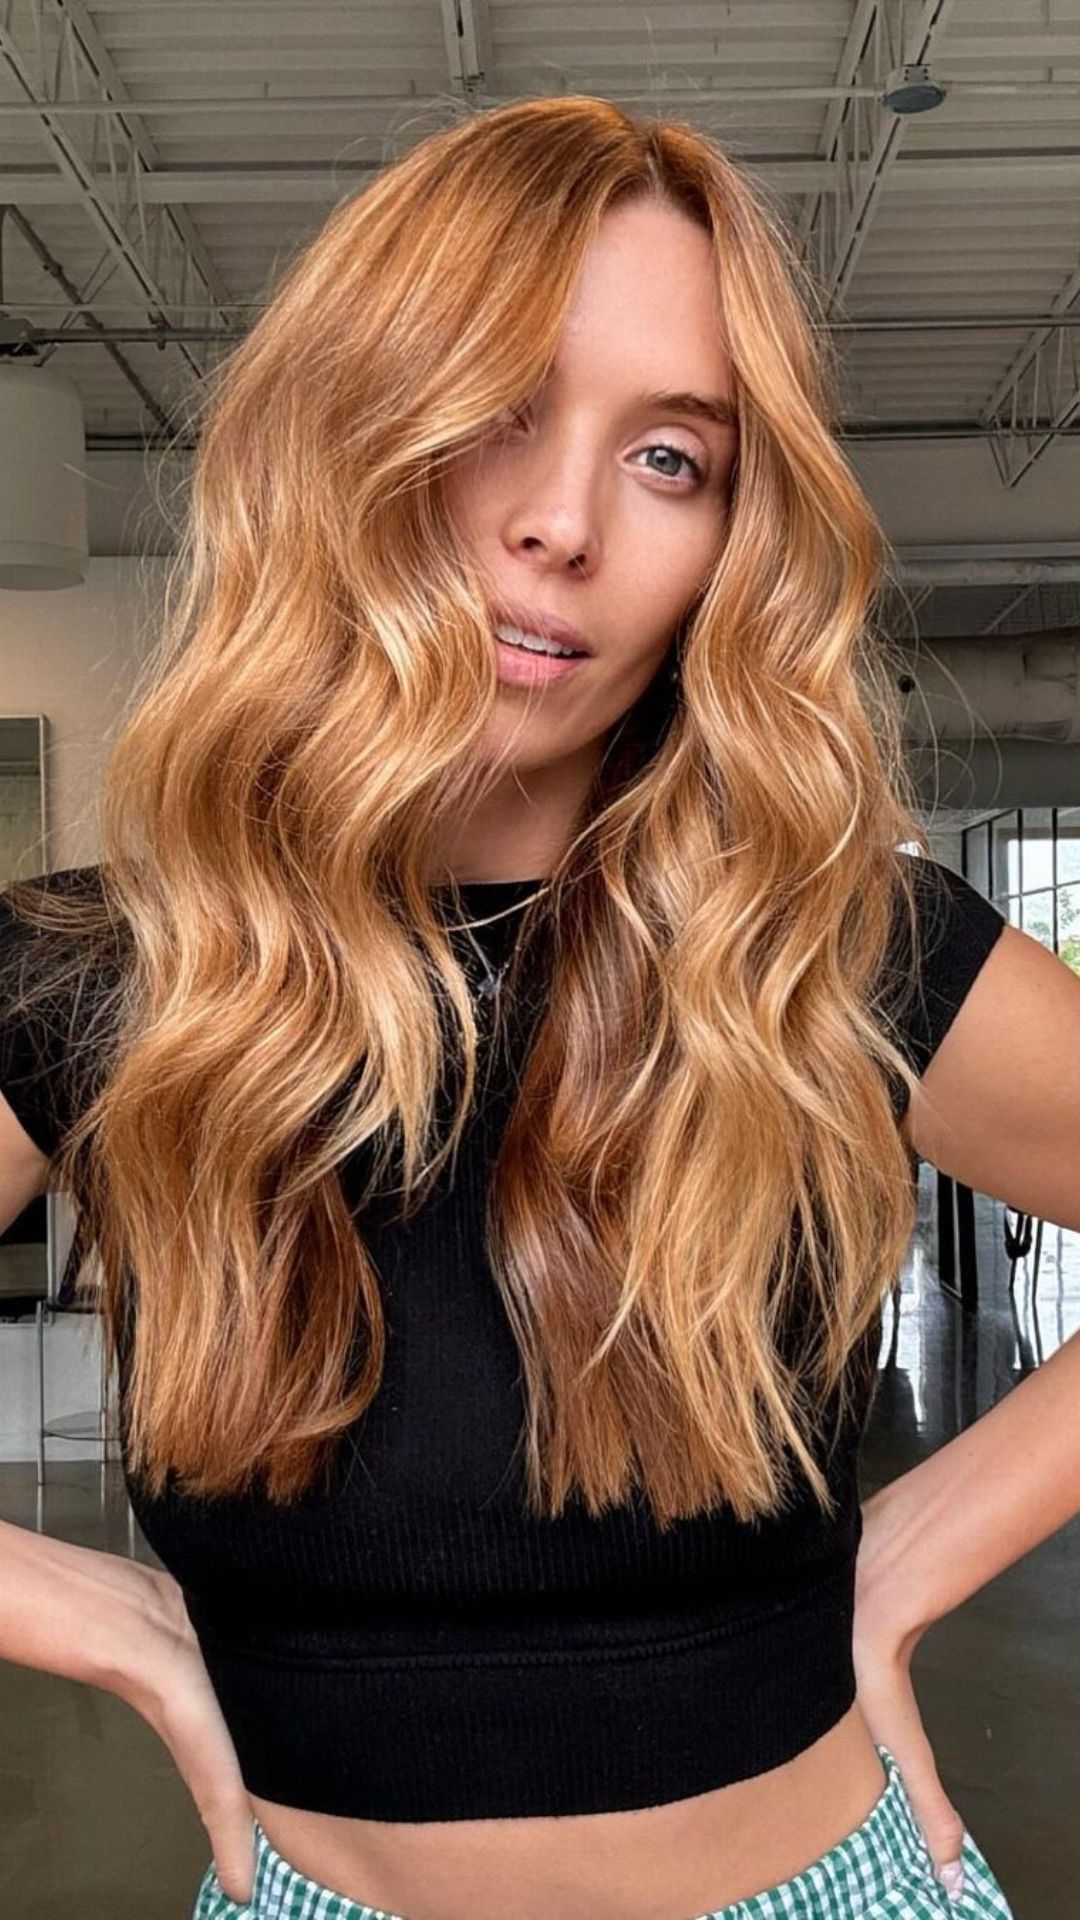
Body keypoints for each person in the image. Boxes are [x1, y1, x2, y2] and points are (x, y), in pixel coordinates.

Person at [4, 93, 1078, 1920]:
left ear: (734, 538)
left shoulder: (834, 950)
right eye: (495, 409)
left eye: (672, 458)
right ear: (346, 433)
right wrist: (71, 1605)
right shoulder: (110, 978)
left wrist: (903, 1563)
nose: (560, 523)